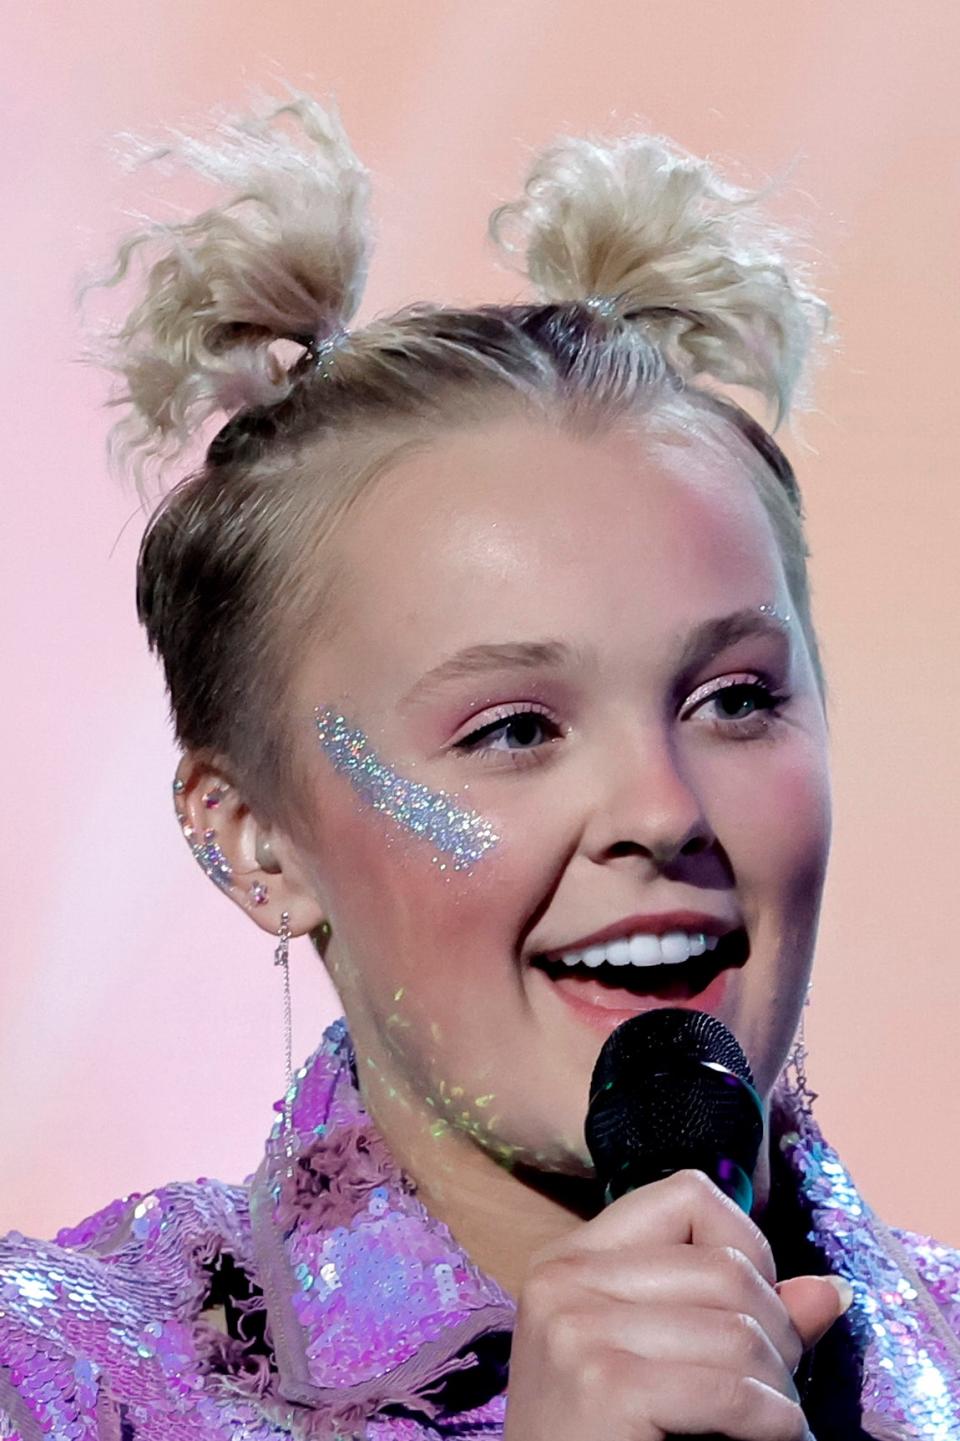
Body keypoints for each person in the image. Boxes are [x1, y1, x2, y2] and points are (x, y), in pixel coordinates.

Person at [1, 94, 957, 1441]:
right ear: (256, 838)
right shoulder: (58, 1391)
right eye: (514, 728)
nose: (662, 811)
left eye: (734, 698)